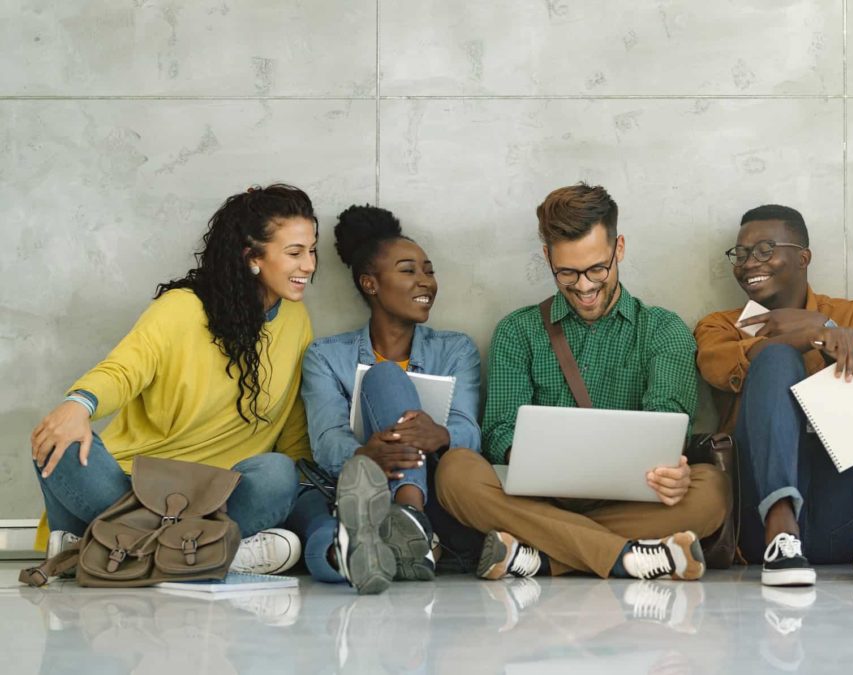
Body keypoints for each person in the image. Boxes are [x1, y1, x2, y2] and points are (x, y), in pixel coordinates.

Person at [435, 183, 729, 581]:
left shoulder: (664, 330)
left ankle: (541, 557)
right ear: (547, 258)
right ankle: (629, 557)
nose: (585, 286)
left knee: (709, 491)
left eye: (597, 269)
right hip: (537, 499)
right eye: (567, 273)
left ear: (619, 249)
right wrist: (546, 460)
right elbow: (499, 432)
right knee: (455, 472)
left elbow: (667, 424)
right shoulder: (517, 331)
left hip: (624, 500)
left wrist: (671, 472)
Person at [29, 184, 318, 575]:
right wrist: (79, 404)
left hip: (216, 497)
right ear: (252, 257)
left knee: (278, 472)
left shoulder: (296, 321)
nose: (309, 265)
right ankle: (210, 554)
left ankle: (105, 551)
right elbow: (124, 368)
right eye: (295, 253)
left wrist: (305, 490)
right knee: (57, 440)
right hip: (128, 491)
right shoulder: (181, 309)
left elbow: (293, 422)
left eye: (311, 251)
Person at [694, 204, 853, 586]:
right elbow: (719, 368)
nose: (748, 263)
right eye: (741, 254)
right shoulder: (720, 325)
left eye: (764, 250)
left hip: (846, 511)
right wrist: (816, 335)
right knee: (775, 357)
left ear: (803, 257)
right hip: (759, 520)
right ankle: (781, 528)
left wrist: (826, 325)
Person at [289, 205, 483, 594]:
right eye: (409, 270)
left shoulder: (456, 350)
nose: (425, 282)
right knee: (322, 544)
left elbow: (471, 434)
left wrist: (440, 434)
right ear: (370, 284)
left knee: (386, 377)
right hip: (344, 492)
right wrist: (365, 455)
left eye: (429, 270)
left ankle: (407, 514)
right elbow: (326, 441)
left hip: (434, 496)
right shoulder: (327, 356)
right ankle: (396, 540)